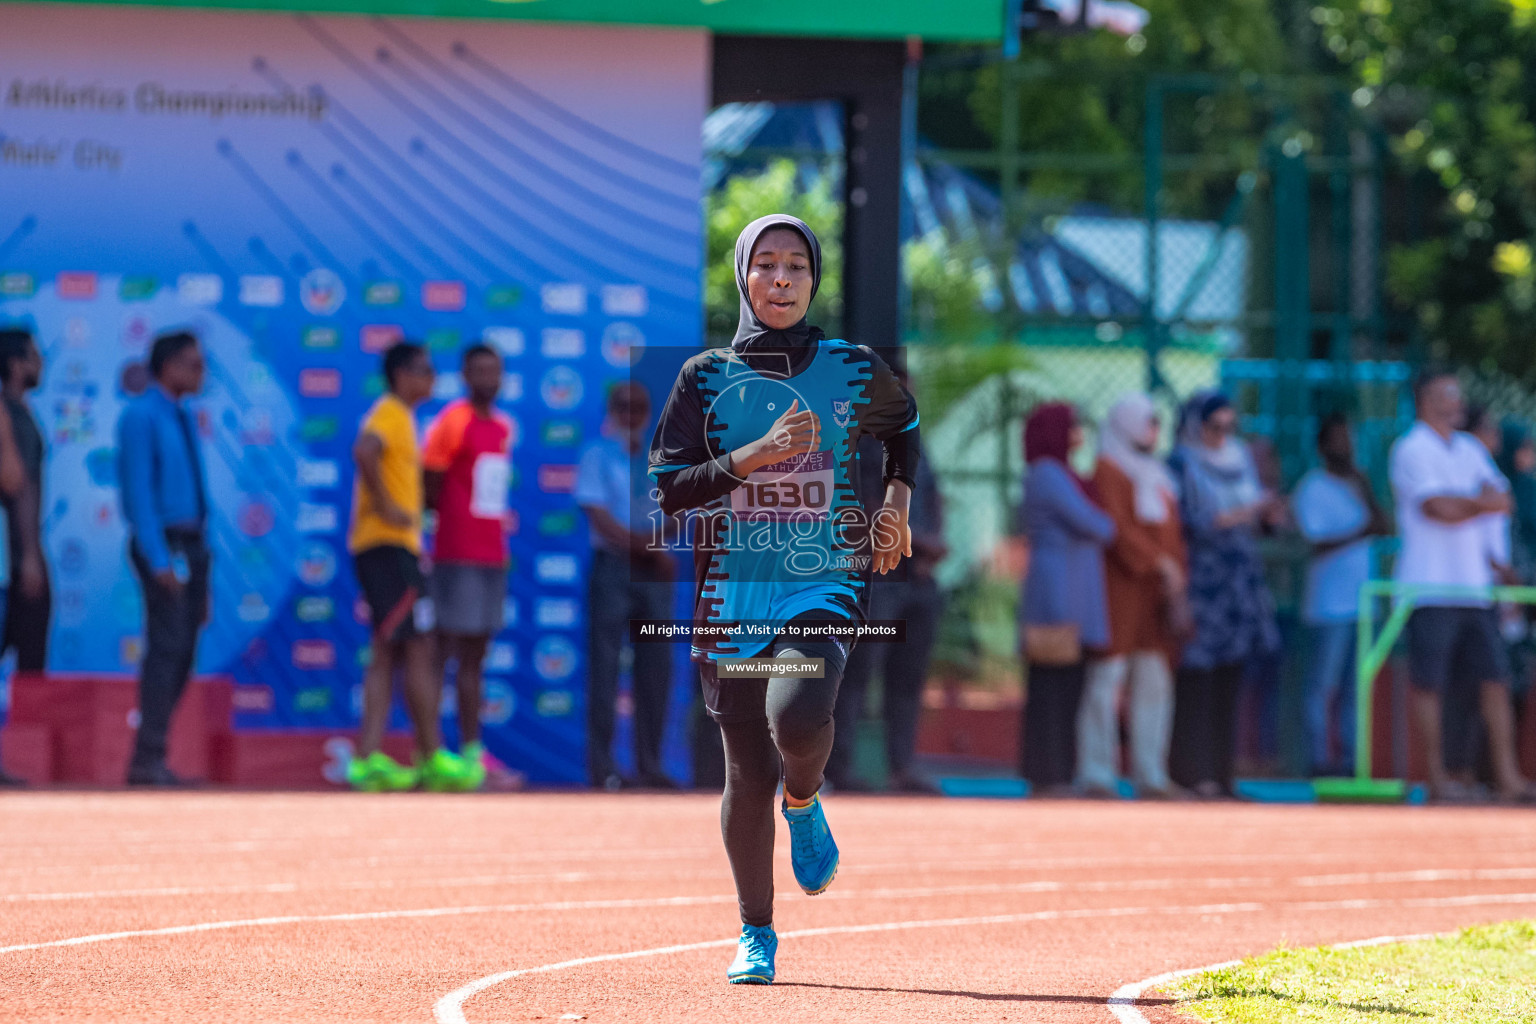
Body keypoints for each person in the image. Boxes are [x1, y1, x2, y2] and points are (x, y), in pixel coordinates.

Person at [649, 214, 919, 985]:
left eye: (795, 266)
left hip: (824, 575)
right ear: (743, 278)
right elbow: (668, 491)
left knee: (797, 711)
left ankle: (805, 802)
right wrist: (748, 458)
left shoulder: (851, 366)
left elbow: (905, 429)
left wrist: (895, 501)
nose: (780, 279)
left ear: (813, 279)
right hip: (733, 592)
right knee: (745, 771)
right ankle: (755, 932)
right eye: (765, 265)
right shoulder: (704, 377)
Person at [1388, 369, 1534, 803]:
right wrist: (1479, 504)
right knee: (1430, 683)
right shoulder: (1410, 449)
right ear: (1421, 400)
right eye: (1441, 396)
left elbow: (1500, 500)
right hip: (1428, 587)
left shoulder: (1469, 448)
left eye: (1455, 396)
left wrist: (1473, 506)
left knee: (1495, 679)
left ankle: (1508, 777)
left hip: (1475, 587)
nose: (1451, 403)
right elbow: (1437, 508)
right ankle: (1435, 777)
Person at [347, 342, 474, 793]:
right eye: (424, 370)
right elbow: (364, 450)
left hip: (391, 547)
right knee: (414, 645)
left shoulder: (404, 417)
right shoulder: (390, 412)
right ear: (401, 375)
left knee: (395, 648)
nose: (432, 379)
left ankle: (377, 757)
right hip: (386, 546)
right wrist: (387, 506)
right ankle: (424, 757)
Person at [1168, 392, 1281, 799]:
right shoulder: (1181, 463)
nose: (1222, 436)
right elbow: (1193, 523)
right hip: (1204, 585)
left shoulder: (1240, 461)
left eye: (1229, 427)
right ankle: (1191, 772)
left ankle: (1222, 774)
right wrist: (1245, 513)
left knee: (1231, 680)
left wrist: (1267, 515)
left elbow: (1257, 522)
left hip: (1240, 586)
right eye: (1214, 427)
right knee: (1197, 679)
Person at [826, 420, 946, 794]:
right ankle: (837, 769)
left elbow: (934, 498)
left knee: (908, 680)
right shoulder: (859, 442)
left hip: (919, 580)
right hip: (876, 580)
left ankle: (902, 767)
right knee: (857, 676)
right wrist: (920, 540)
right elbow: (862, 504)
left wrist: (935, 543)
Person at [116, 331, 212, 787]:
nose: (201, 373)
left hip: (191, 546)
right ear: (168, 366)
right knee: (167, 648)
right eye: (193, 364)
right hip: (166, 545)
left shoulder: (181, 416)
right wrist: (157, 557)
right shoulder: (141, 415)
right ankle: (146, 759)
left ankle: (154, 755)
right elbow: (138, 492)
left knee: (183, 652)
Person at [1078, 393, 1185, 799]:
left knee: (1155, 684)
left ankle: (1151, 774)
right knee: (1106, 682)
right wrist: (1159, 562)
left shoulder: (1157, 475)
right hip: (1118, 592)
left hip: (1155, 599)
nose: (1153, 430)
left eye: (1157, 423)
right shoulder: (1108, 468)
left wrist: (1175, 576)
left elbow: (1174, 535)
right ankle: (1097, 772)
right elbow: (1118, 529)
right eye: (1147, 422)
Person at [576, 379, 677, 791]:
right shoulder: (596, 454)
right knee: (604, 669)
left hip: (653, 574)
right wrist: (647, 548)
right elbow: (597, 516)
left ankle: (650, 766)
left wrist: (653, 548)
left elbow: (680, 511)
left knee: (656, 672)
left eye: (639, 407)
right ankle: (604, 769)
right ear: (612, 412)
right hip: (614, 569)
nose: (631, 415)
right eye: (623, 407)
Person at [421, 343, 514, 792]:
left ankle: (472, 753)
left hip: (491, 554)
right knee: (441, 652)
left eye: (493, 370)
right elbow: (431, 484)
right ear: (463, 374)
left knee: (475, 655)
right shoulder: (452, 421)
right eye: (478, 370)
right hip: (454, 552)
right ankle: (432, 753)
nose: (486, 378)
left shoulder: (502, 426)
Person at [1017, 402, 1114, 794]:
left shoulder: (1063, 474)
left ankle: (1059, 770)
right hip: (1056, 591)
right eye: (1070, 427)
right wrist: (1106, 519)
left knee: (1067, 684)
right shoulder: (1047, 473)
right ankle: (1046, 772)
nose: (1078, 433)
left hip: (1073, 587)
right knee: (1051, 684)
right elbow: (1097, 525)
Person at [1291, 413, 1390, 777]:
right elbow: (1314, 543)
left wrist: (1366, 491)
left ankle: (1352, 761)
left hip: (1362, 605)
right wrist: (1360, 530)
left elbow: (1383, 526)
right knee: (1321, 686)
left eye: (1349, 439)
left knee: (1356, 688)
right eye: (1338, 440)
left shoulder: (1357, 486)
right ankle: (1317, 760)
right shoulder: (1312, 488)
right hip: (1327, 606)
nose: (1345, 447)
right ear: (1322, 446)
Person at [0, 328, 48, 676]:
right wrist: (30, 557)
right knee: (30, 661)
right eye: (34, 355)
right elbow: (19, 485)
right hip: (14, 559)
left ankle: (27, 729)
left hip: (15, 556)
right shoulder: (8, 417)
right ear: (15, 365)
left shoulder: (16, 413)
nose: (42, 362)